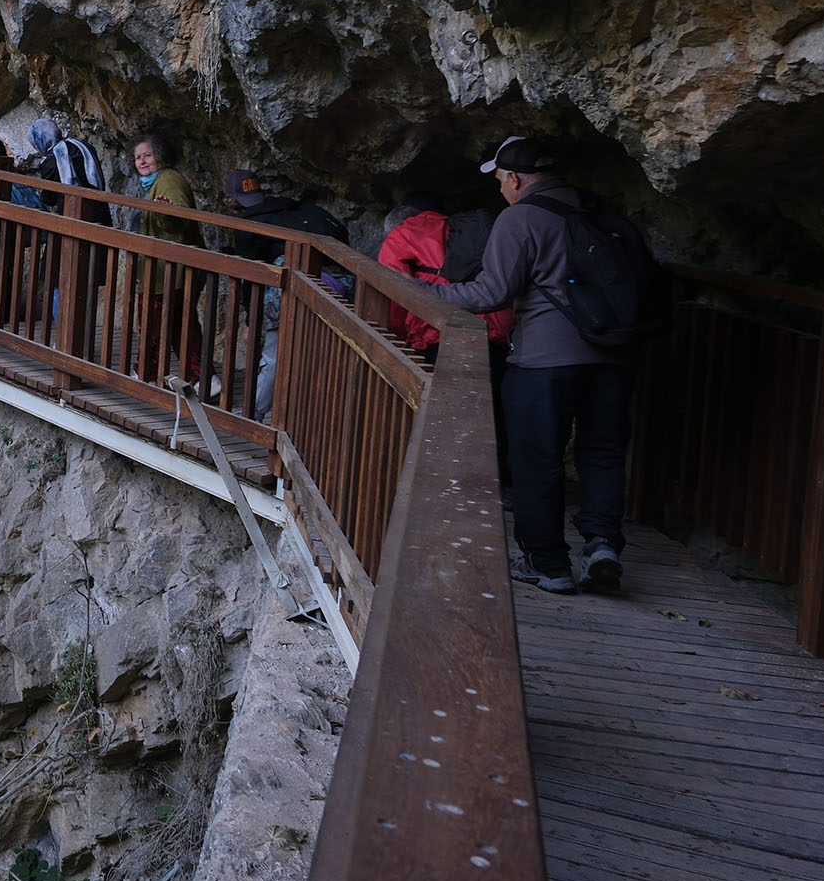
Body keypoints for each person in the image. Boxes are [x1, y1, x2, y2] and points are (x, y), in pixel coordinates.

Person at [414, 136, 636, 596]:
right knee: (603, 452)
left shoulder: (521, 218)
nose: (500, 190)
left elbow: (489, 293)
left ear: (514, 178)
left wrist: (424, 291)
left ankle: (547, 561)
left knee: (536, 460)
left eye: (499, 181)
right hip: (612, 356)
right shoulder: (602, 210)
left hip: (543, 362)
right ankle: (601, 544)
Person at [380, 192, 518, 496]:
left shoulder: (401, 236)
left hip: (435, 335)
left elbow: (394, 293)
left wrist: (393, 338)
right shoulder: (472, 228)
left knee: (439, 415)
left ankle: (444, 484)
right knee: (491, 411)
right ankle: (502, 486)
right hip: (491, 333)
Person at [223, 169, 350, 418]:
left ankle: (252, 415)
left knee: (274, 355)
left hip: (293, 292)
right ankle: (311, 417)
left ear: (231, 200)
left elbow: (251, 276)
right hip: (338, 287)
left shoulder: (248, 225)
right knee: (321, 359)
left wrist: (252, 321)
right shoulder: (294, 208)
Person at [132, 135, 203, 383]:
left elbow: (179, 217)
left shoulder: (168, 179)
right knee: (180, 326)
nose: (142, 161)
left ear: (160, 156)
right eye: (138, 157)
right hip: (170, 270)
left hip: (170, 272)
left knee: (155, 325)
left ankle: (146, 374)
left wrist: (166, 214)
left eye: (147, 155)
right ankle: (202, 378)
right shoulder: (157, 182)